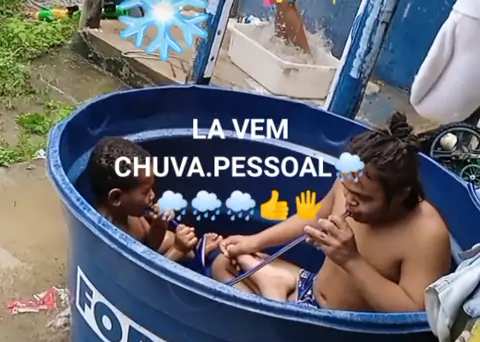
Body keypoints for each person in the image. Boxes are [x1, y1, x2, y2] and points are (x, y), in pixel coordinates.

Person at [212, 114, 452, 312]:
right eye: (347, 190)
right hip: (310, 289)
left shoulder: (426, 233)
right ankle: (277, 293)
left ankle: (275, 305)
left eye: (364, 198)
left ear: (400, 194)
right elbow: (316, 216)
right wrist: (254, 241)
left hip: (337, 329)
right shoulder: (353, 178)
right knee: (223, 263)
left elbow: (413, 311)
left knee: (277, 327)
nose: (350, 202)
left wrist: (351, 260)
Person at [88, 137, 221, 262]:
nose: (152, 196)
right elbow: (144, 273)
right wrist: (178, 250)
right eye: (146, 192)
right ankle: (194, 256)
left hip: (144, 257)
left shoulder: (128, 212)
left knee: (170, 237)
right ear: (116, 197)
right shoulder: (109, 239)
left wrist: (159, 225)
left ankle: (197, 253)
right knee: (177, 244)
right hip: (137, 271)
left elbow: (150, 245)